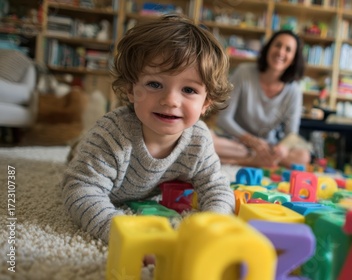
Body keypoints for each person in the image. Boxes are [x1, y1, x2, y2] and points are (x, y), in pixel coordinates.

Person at [61, 14, 235, 244]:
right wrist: (122, 232)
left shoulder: (198, 140)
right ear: (131, 90)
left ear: (206, 103)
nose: (170, 100)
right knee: (80, 153)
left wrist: (212, 227)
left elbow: (217, 187)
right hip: (96, 156)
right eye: (155, 84)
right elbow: (79, 190)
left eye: (189, 90)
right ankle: (76, 145)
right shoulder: (112, 134)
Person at [212, 30, 311, 168]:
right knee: (208, 140)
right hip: (236, 141)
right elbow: (223, 119)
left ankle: (244, 160)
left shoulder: (294, 90)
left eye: (288, 49)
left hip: (268, 146)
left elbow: (291, 134)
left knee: (303, 156)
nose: (281, 52)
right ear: (269, 48)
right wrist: (252, 141)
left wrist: (282, 149)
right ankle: (255, 160)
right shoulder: (243, 72)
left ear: (294, 58)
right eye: (277, 45)